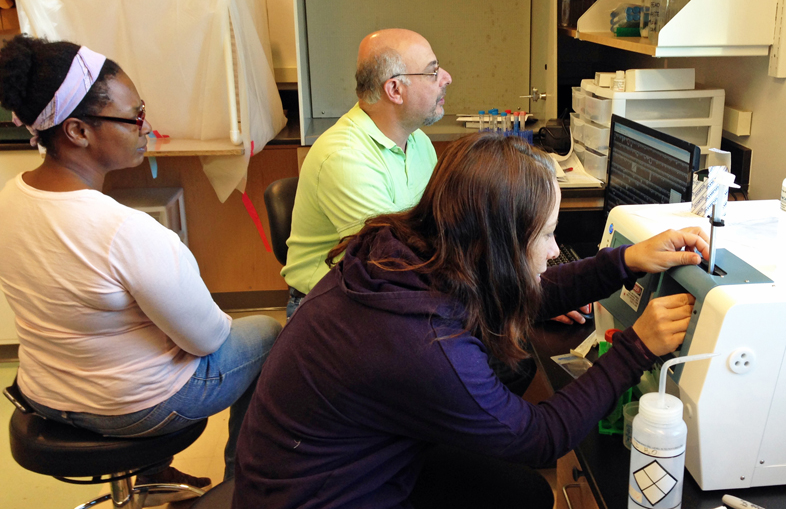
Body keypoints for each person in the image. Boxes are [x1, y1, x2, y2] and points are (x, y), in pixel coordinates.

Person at [232, 133, 709, 509]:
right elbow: (540, 438)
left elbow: (518, 289)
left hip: (340, 461)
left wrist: (623, 261)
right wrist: (635, 348)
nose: (551, 252)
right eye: (544, 236)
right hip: (320, 496)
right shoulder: (426, 342)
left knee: (525, 495)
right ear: (494, 248)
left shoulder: (404, 251)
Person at [0, 36, 282, 502]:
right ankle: (240, 487)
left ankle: (151, 475)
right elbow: (209, 340)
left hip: (44, 393)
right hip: (131, 409)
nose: (146, 127)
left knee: (132, 331)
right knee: (270, 337)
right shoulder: (124, 231)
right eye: (133, 118)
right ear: (77, 131)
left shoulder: (11, 197)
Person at [281, 28, 451, 318]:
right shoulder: (345, 156)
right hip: (331, 303)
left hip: (385, 286)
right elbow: (388, 262)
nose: (446, 78)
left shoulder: (418, 140)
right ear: (395, 90)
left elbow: (437, 226)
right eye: (432, 72)